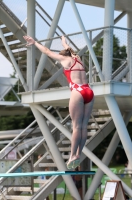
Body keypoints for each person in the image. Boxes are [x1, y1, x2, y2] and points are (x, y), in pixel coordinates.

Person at [23, 35, 94, 169]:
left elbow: (47, 52)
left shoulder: (65, 59)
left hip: (77, 91)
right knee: (84, 126)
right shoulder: (76, 58)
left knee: (76, 126)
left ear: (63, 55)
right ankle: (79, 152)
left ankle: (73, 155)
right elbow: (69, 49)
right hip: (89, 91)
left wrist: (34, 43)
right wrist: (64, 42)